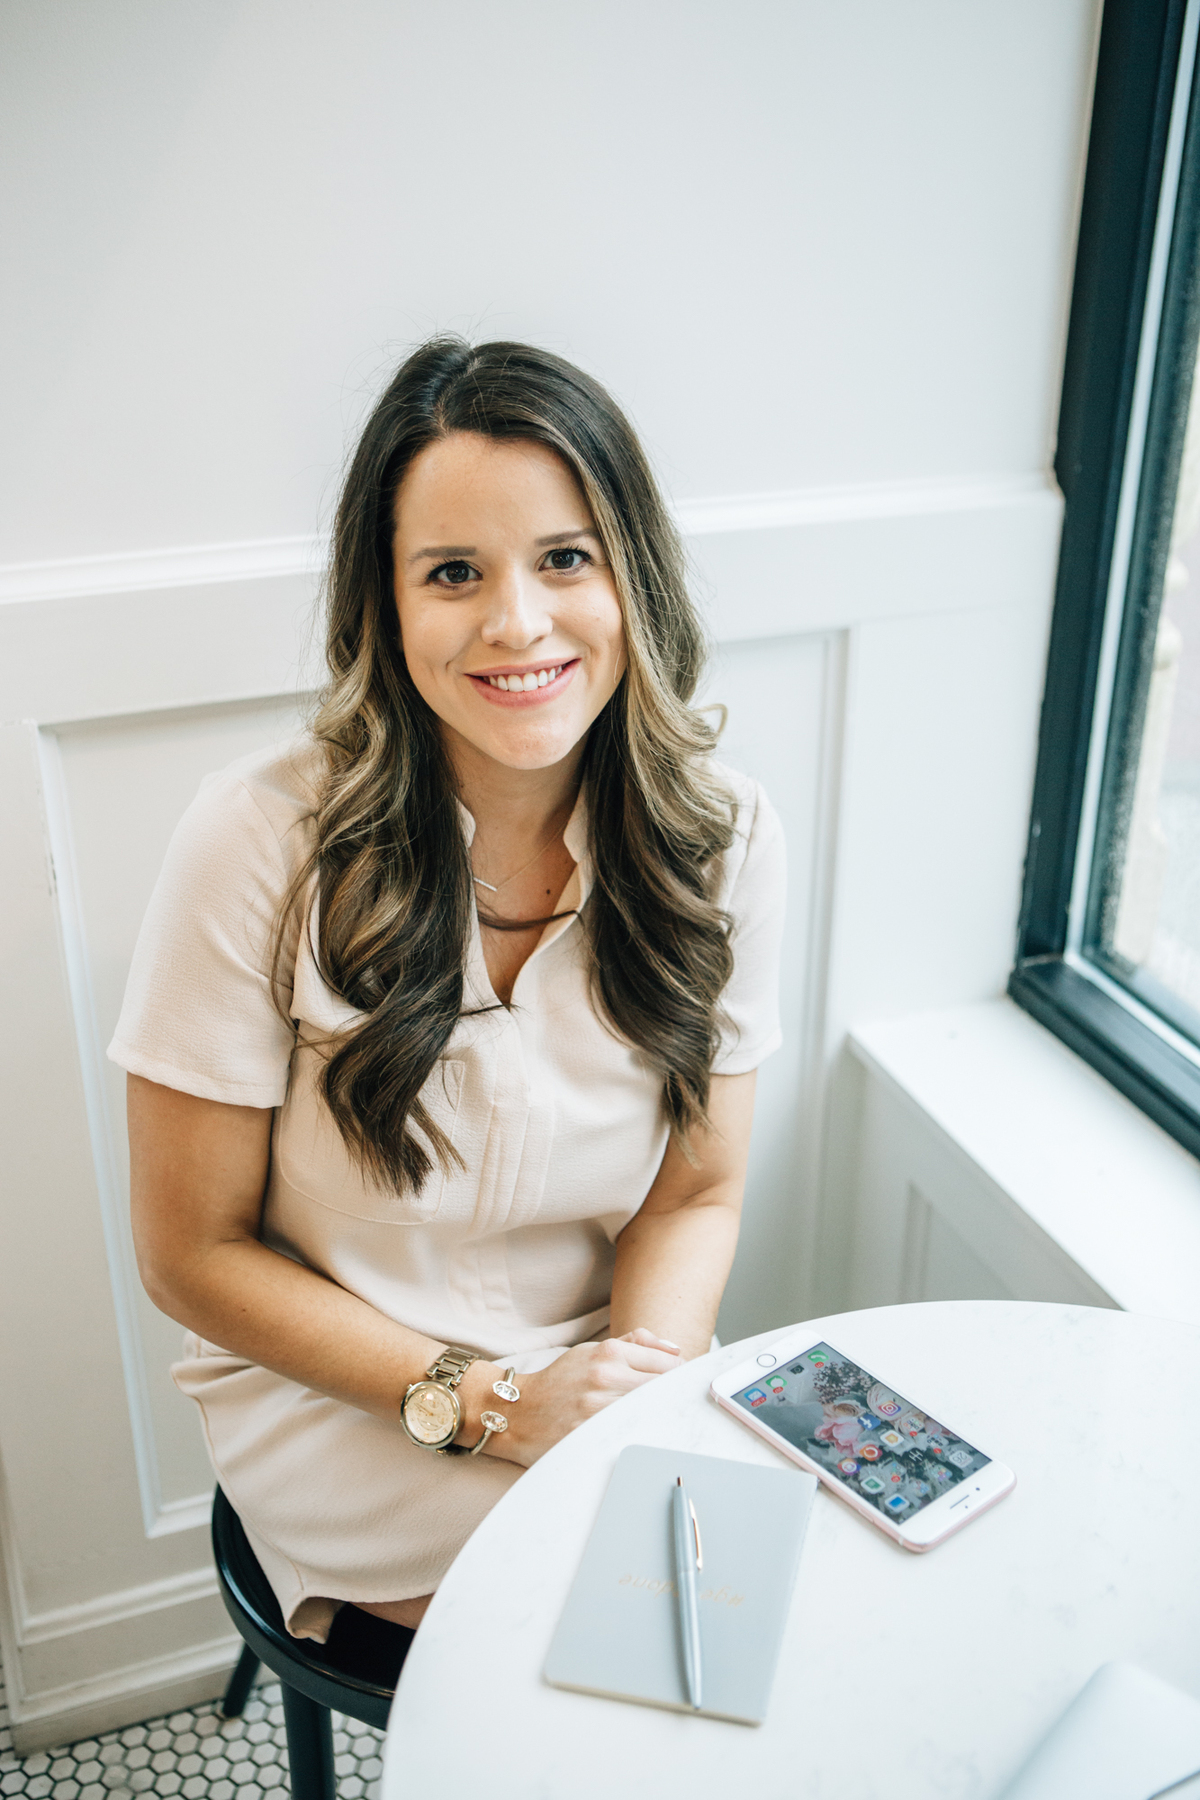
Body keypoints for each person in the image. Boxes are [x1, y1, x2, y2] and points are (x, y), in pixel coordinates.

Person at [110, 338, 786, 1642]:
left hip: (602, 1352)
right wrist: (497, 1406)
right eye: (455, 573)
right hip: (345, 1391)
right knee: (581, 1659)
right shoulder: (253, 842)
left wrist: (634, 1393)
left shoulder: (733, 836)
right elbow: (191, 1255)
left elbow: (698, 1188)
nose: (517, 623)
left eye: (566, 558)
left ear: (631, 574)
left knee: (727, 1640)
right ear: (388, 602)